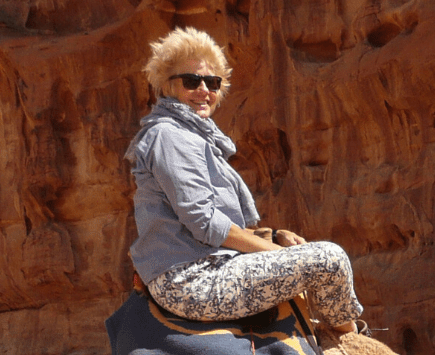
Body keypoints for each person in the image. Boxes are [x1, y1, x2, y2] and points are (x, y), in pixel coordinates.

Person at [126, 27, 361, 334]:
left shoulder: (192, 136)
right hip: (191, 280)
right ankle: (353, 346)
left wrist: (272, 235)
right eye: (191, 81)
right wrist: (281, 255)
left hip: (205, 268)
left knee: (317, 258)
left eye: (212, 82)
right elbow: (203, 221)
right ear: (167, 85)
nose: (203, 90)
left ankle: (348, 351)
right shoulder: (170, 135)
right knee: (328, 260)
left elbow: (209, 221)